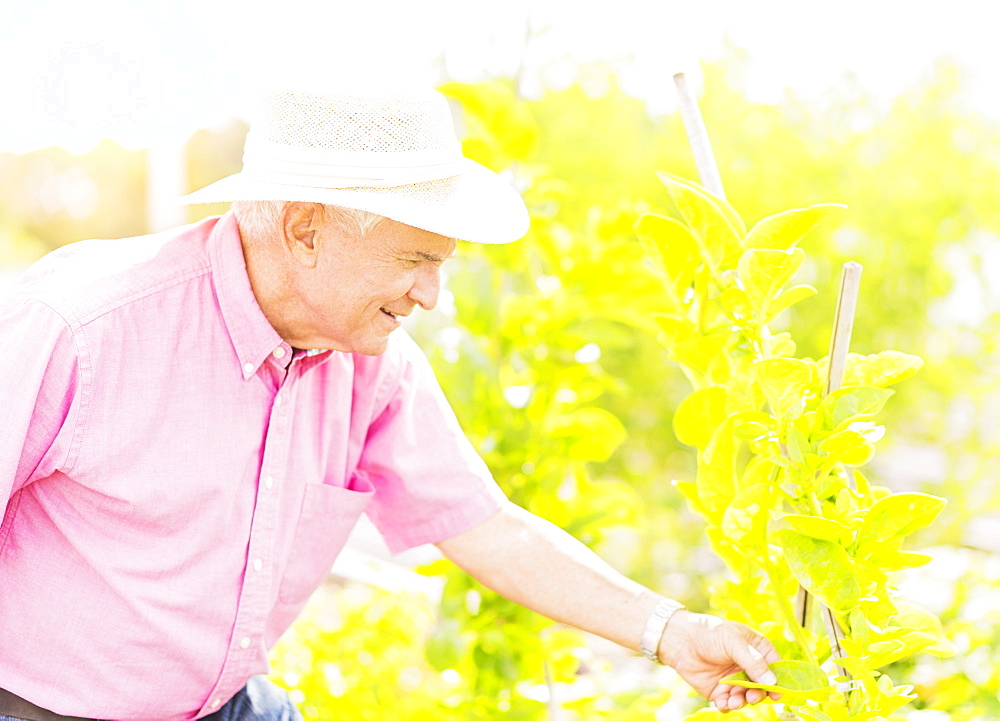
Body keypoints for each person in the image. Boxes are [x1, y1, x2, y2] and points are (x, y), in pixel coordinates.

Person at [0, 87, 779, 721]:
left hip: (228, 705)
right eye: (415, 260)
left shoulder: (372, 364)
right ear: (305, 228)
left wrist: (671, 632)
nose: (432, 296)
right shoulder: (78, 327)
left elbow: (486, 525)